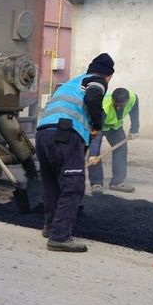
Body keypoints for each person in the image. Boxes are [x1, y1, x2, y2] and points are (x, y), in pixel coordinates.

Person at [35, 53, 114, 253]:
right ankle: (59, 237)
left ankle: (50, 226)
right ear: (109, 76)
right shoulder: (97, 81)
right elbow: (94, 98)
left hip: (43, 133)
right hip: (64, 134)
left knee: (52, 183)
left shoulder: (73, 82)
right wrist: (97, 125)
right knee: (73, 185)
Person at [87, 87, 139, 194]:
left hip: (115, 126)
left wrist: (134, 130)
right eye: (116, 105)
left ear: (127, 100)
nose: (119, 108)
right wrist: (92, 154)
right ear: (112, 99)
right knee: (95, 154)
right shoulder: (104, 105)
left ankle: (117, 182)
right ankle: (96, 183)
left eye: (122, 105)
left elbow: (134, 113)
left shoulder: (133, 99)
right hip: (98, 126)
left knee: (121, 149)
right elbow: (96, 130)